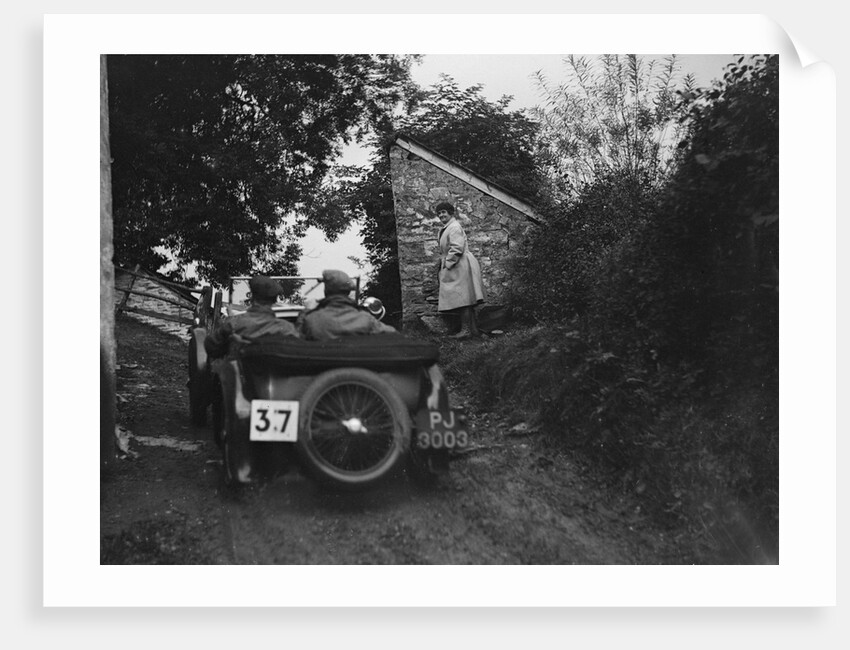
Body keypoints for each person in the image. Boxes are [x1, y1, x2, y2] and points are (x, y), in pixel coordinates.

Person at [205, 275, 299, 358]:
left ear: (252, 298)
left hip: (242, 376)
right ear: (274, 301)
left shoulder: (234, 324)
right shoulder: (288, 329)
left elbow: (210, 346)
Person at [297, 269, 398, 340]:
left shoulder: (312, 319)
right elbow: (394, 336)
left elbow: (295, 340)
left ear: (326, 291)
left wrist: (306, 311)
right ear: (348, 292)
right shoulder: (366, 319)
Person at [435, 201, 485, 338]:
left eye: (443, 212)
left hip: (460, 264)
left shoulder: (454, 227)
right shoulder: (447, 228)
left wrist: (448, 264)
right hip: (456, 264)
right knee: (463, 298)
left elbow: (457, 248)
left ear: (451, 213)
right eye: (439, 213)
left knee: (464, 299)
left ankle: (467, 331)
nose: (441, 215)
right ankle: (473, 331)